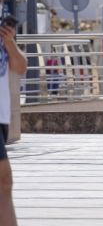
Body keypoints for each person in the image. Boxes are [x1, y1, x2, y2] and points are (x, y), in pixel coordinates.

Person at [0, 17, 28, 226]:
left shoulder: (3, 37)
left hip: (2, 117)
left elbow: (20, 67)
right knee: (4, 181)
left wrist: (9, 42)